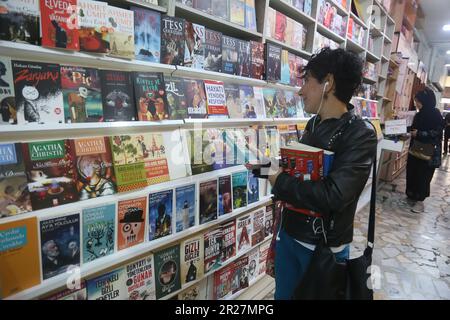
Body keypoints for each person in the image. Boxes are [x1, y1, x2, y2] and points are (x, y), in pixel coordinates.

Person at [246, 48, 377, 300]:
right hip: (290, 235)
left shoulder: (360, 134)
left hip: (323, 250)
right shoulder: (313, 124)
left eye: (307, 81)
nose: (300, 91)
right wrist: (261, 167)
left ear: (328, 83)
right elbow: (297, 172)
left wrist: (278, 179)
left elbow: (334, 195)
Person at [404, 88, 445, 213]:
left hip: (428, 152)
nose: (416, 103)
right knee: (412, 171)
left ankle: (420, 202)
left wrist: (420, 134)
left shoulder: (435, 114)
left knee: (423, 176)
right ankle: (412, 195)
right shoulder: (419, 114)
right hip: (415, 149)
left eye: (418, 101)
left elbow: (437, 132)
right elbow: (413, 128)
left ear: (425, 101)